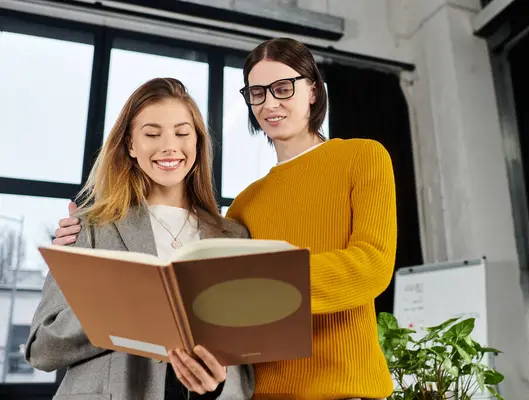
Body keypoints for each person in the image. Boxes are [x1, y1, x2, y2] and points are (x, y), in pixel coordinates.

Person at [53, 38, 397, 400]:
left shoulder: (362, 157)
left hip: (346, 391)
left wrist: (262, 282)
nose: (270, 103)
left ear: (313, 90)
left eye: (283, 88)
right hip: (259, 394)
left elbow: (371, 265)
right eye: (257, 92)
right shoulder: (243, 207)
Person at [27, 78, 254, 400]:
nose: (169, 146)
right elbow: (43, 347)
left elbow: (246, 365)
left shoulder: (234, 238)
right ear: (131, 145)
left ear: (198, 143)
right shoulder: (90, 227)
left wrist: (216, 385)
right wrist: (129, 305)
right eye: (151, 134)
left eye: (182, 132)